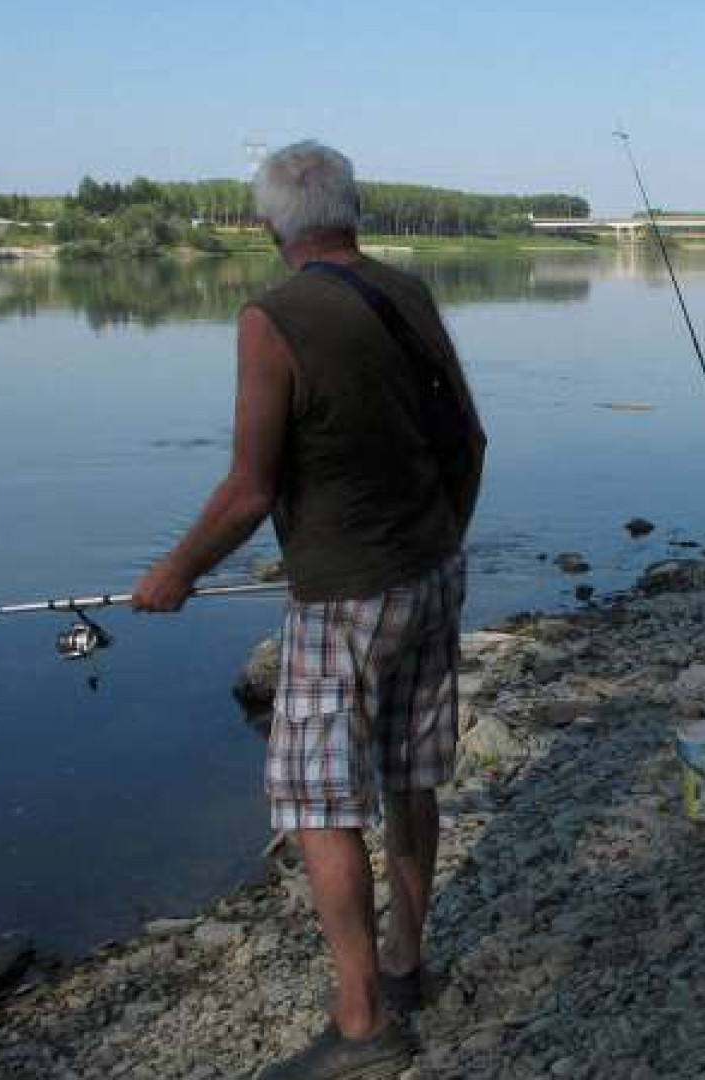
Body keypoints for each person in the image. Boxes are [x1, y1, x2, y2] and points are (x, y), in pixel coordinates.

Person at [132, 140, 485, 1080]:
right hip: (433, 571)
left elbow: (248, 492)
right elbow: (472, 437)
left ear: (268, 229)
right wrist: (445, 537)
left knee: (317, 801)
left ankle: (364, 1026)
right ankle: (409, 967)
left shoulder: (271, 317)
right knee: (410, 778)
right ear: (354, 210)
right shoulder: (406, 292)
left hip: (344, 599)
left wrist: (175, 572)